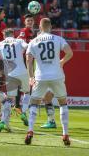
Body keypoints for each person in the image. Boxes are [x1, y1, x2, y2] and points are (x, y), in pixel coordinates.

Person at [25, 18, 73, 146]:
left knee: (34, 103)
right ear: (50, 26)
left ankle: (30, 131)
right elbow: (69, 53)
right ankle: (65, 134)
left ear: (40, 28)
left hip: (40, 77)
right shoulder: (58, 39)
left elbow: (28, 60)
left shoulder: (33, 41)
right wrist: (62, 62)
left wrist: (30, 77)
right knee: (63, 103)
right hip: (57, 75)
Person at [0, 28, 29, 132]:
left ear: (4, 35)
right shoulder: (19, 41)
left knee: (9, 99)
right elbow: (27, 47)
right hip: (22, 71)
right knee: (27, 92)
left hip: (10, 73)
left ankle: (2, 122)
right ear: (13, 34)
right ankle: (23, 111)